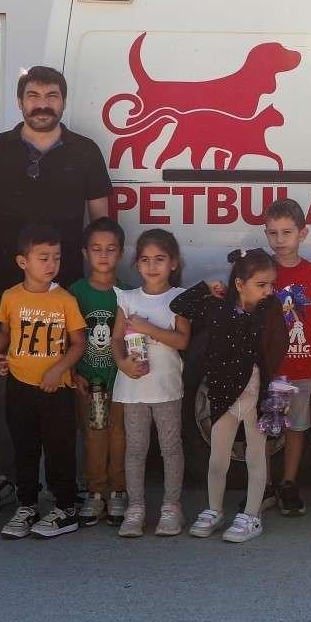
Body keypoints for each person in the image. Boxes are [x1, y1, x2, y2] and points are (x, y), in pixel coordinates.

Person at [0, 65, 112, 514]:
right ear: (20, 101)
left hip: (69, 291)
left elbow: (102, 223)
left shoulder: (85, 151)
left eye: (51, 95)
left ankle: (75, 482)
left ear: (63, 101)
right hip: (5, 290)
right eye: (34, 95)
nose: (42, 104)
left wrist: (101, 282)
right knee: (5, 389)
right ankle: (3, 478)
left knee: (71, 385)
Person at [172, 249, 289, 544]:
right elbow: (179, 304)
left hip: (255, 397)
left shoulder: (269, 311)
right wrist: (205, 287)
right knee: (218, 458)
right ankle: (214, 510)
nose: (268, 291)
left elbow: (279, 345)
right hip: (224, 397)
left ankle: (252, 515)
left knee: (255, 456)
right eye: (261, 285)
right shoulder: (217, 308)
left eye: (271, 285)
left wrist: (268, 385)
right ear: (239, 284)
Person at [0, 224, 88, 540]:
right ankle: (27, 505)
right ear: (22, 262)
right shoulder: (10, 296)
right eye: (43, 258)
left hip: (56, 390)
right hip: (19, 385)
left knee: (60, 448)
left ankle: (65, 508)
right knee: (24, 448)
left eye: (56, 257)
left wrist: (58, 370)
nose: (51, 264)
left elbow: (79, 343)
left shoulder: (65, 300)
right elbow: (4, 332)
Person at [112, 229, 191, 538]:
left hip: (166, 388)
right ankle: (136, 508)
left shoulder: (179, 299)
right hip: (134, 389)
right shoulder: (128, 298)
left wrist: (148, 328)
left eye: (159, 259)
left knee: (171, 447)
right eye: (145, 259)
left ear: (173, 263)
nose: (152, 265)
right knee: (135, 449)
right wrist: (122, 363)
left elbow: (182, 341)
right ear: (136, 264)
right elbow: (116, 340)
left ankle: (171, 507)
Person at [264, 198, 311, 516]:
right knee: (266, 428)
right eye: (272, 233)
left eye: (286, 232)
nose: (279, 240)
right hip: (270, 369)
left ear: (303, 233)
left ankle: (288, 483)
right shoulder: (263, 271)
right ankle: (262, 485)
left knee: (296, 428)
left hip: (302, 367)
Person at [70, 217, 127, 527]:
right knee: (94, 436)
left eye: (111, 249)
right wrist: (73, 373)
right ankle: (95, 492)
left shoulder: (127, 293)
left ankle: (118, 491)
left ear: (121, 252)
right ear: (85, 253)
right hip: (89, 381)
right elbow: (65, 339)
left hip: (121, 383)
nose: (103, 255)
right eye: (96, 249)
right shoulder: (75, 293)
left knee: (120, 436)